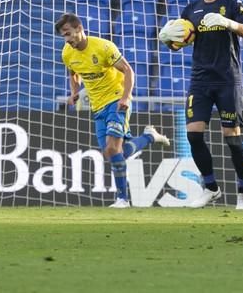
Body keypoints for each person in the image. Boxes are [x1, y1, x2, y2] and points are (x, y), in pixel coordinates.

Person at [158, 0, 243, 209]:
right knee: (193, 135)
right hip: (200, 80)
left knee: (232, 139)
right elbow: (182, 39)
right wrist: (170, 38)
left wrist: (229, 23)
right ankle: (211, 188)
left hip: (227, 79)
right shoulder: (192, 9)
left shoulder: (232, 4)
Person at [56, 13, 170, 208]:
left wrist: (125, 97)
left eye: (68, 34)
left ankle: (122, 199)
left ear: (79, 29)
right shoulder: (67, 52)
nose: (67, 39)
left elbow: (128, 70)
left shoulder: (103, 47)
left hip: (116, 100)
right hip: (97, 105)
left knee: (111, 149)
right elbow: (73, 72)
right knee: (113, 153)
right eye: (63, 36)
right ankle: (149, 137)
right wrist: (74, 92)